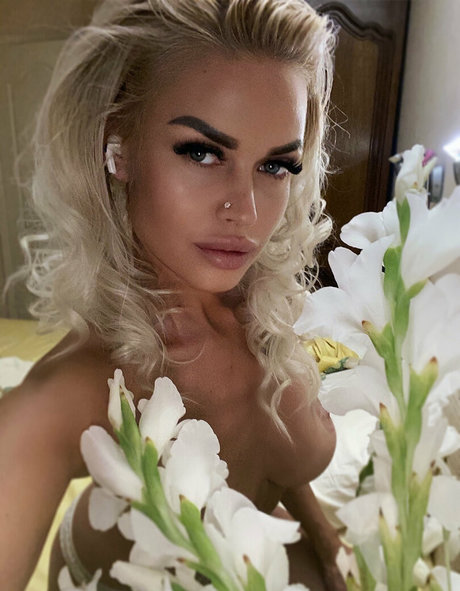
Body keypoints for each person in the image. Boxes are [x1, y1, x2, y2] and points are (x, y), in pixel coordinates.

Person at [0, 0, 344, 589]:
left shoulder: (256, 310)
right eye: (202, 153)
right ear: (118, 149)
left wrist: (325, 538)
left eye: (276, 165)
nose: (247, 212)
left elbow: (272, 454)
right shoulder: (74, 392)